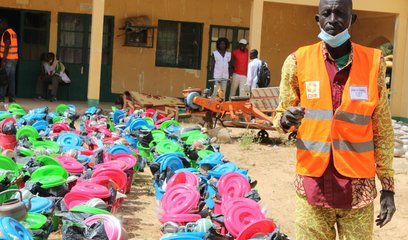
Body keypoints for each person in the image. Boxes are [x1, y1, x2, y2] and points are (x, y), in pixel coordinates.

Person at [273, 0, 396, 239]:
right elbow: (279, 119)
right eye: (326, 13)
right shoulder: (297, 61)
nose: (332, 20)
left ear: (353, 19)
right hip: (312, 184)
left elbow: (382, 127)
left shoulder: (373, 63)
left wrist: (388, 188)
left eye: (340, 13)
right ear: (317, 19)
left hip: (357, 188)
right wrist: (286, 119)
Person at [0, 18, 18, 103]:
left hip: (8, 59)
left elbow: (7, 45)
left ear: (4, 24)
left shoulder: (6, 33)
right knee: (11, 79)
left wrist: (3, 60)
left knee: (4, 78)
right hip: (14, 59)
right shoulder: (13, 32)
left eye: (1, 24)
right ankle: (12, 98)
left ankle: (1, 97)